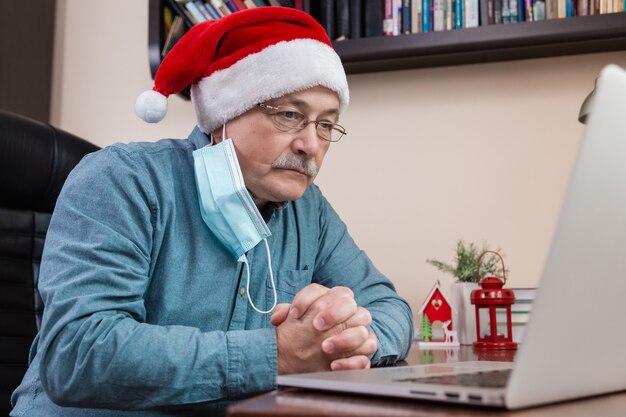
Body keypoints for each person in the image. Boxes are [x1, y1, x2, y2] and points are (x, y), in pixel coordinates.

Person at [10, 7, 413, 417]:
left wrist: (345, 341)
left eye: (326, 125)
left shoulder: (309, 211)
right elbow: (79, 354)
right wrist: (277, 355)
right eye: (290, 115)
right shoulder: (121, 179)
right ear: (226, 112)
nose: (311, 145)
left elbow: (390, 308)